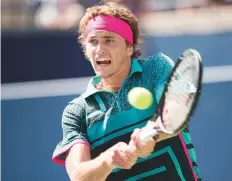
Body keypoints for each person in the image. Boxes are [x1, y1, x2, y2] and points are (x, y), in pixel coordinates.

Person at [52, 2, 201, 181]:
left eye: (109, 40)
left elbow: (175, 112)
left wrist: (150, 134)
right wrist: (108, 160)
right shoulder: (76, 111)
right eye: (93, 42)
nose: (100, 49)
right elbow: (78, 175)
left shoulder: (155, 67)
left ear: (129, 47)